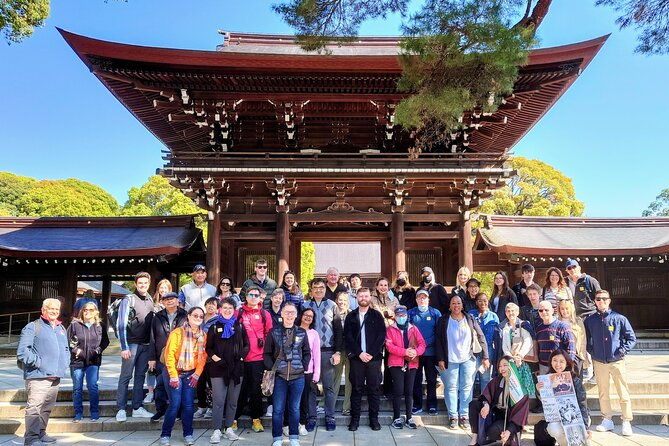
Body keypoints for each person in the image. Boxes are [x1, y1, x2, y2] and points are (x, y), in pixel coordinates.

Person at [17, 298, 69, 446]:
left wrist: (65, 362)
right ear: (43, 309)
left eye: (56, 309)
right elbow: (22, 352)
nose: (54, 311)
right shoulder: (33, 327)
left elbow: (66, 349)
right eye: (51, 308)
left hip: (56, 375)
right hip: (38, 376)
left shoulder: (61, 328)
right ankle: (31, 439)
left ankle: (41, 432)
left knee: (46, 408)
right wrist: (39, 362)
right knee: (34, 408)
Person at [584, 290, 636, 437]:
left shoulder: (619, 318)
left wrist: (621, 351)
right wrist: (592, 351)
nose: (601, 301)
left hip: (617, 361)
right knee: (603, 392)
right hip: (599, 361)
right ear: (595, 301)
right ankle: (607, 419)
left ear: (609, 300)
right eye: (598, 299)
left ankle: (626, 420)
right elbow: (587, 340)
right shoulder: (590, 320)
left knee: (623, 392)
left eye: (604, 299)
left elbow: (631, 338)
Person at [435, 295, 489, 430]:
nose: (456, 306)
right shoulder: (443, 320)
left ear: (462, 305)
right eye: (453, 303)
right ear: (449, 305)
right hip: (450, 359)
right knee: (451, 388)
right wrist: (441, 358)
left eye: (458, 303)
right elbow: (438, 341)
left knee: (467, 387)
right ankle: (453, 416)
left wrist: (485, 356)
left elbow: (481, 336)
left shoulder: (470, 318)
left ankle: (464, 416)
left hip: (468, 359)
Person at [264, 302, 311, 446]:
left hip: (298, 377)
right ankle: (277, 437)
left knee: (294, 408)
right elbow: (266, 354)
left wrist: (303, 366)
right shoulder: (274, 332)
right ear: (282, 314)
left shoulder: (302, 332)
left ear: (297, 315)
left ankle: (294, 437)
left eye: (292, 312)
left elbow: (307, 353)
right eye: (287, 312)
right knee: (278, 409)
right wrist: (273, 368)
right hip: (279, 377)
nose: (290, 315)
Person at [159, 306, 208, 446]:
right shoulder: (177, 333)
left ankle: (188, 433)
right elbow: (169, 355)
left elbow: (203, 357)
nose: (198, 318)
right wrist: (173, 376)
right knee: (175, 404)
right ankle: (165, 434)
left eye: (200, 316)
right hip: (174, 372)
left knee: (188, 405)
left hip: (191, 373)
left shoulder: (203, 335)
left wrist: (197, 374)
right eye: (195, 315)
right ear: (189, 316)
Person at [206, 296, 250, 443]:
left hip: (236, 368)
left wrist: (241, 357)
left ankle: (229, 427)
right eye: (224, 307)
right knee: (218, 400)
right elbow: (208, 347)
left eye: (230, 308)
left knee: (232, 401)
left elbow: (246, 345)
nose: (227, 310)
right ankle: (217, 430)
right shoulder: (214, 326)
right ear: (220, 309)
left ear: (234, 310)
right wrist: (215, 358)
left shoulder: (239, 326)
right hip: (218, 368)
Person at [302, 277, 343, 431]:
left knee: (328, 387)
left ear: (325, 288)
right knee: (311, 387)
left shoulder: (332, 305)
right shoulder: (305, 306)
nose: (318, 290)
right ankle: (311, 417)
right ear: (311, 290)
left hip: (327, 351)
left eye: (321, 287)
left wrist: (337, 351)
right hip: (309, 353)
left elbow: (338, 329)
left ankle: (330, 417)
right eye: (315, 287)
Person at [344, 287, 386, 432]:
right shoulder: (351, 316)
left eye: (366, 295)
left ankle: (374, 420)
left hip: (374, 359)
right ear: (356, 297)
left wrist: (371, 354)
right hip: (357, 358)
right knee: (356, 389)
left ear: (370, 297)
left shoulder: (376, 315)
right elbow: (348, 337)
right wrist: (360, 353)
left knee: (374, 390)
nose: (363, 298)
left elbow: (382, 336)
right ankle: (354, 420)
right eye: (361, 295)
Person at [116, 271, 156, 422]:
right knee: (125, 376)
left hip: (145, 345)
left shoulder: (150, 300)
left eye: (145, 283)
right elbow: (121, 324)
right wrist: (123, 346)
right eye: (140, 283)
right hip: (131, 344)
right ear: (135, 284)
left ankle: (137, 407)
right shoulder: (128, 299)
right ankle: (121, 408)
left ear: (149, 283)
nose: (143, 285)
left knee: (140, 376)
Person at [234, 285, 272, 433]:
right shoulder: (238, 313)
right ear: (246, 296)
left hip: (258, 358)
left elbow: (269, 335)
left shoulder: (265, 314)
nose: (253, 298)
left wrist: (266, 355)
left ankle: (256, 419)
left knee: (256, 391)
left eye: (256, 295)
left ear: (260, 297)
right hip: (241, 358)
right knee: (239, 390)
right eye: (251, 295)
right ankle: (233, 419)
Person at [467, 356, 529, 446]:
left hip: (511, 419)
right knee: (474, 404)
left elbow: (520, 415)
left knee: (494, 431)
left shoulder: (520, 388)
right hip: (497, 414)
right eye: (500, 366)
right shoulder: (497, 381)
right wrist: (486, 404)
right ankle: (475, 438)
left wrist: (509, 431)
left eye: (505, 365)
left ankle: (509, 436)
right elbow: (486, 395)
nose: (502, 368)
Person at [534, 349, 591, 446]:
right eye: (555, 360)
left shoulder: (575, 380)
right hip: (557, 418)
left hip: (577, 417)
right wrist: (539, 391)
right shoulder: (546, 379)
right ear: (551, 362)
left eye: (561, 361)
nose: (558, 364)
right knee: (553, 428)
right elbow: (546, 404)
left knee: (581, 438)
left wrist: (585, 427)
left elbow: (582, 403)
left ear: (567, 363)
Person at [67, 301, 110, 423]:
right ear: (82, 311)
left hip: (93, 360)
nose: (87, 312)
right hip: (77, 361)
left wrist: (98, 350)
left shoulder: (100, 325)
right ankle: (78, 412)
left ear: (95, 312)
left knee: (93, 386)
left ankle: (94, 412)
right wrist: (77, 351)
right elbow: (69, 341)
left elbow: (105, 341)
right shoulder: (75, 325)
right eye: (85, 310)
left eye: (91, 310)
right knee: (77, 387)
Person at [148, 291, 188, 422]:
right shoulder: (157, 317)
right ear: (163, 302)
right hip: (162, 356)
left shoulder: (185, 315)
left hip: (179, 356)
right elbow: (152, 338)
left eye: (172, 299)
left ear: (178, 301)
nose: (170, 301)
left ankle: (179, 412)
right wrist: (151, 358)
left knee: (178, 384)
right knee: (160, 384)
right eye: (166, 299)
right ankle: (160, 410)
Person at [386, 305, 426, 429]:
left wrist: (416, 352)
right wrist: (404, 352)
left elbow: (422, 344)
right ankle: (396, 417)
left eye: (403, 315)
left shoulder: (413, 328)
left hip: (412, 363)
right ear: (395, 317)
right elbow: (389, 346)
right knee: (398, 391)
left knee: (409, 391)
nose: (401, 317)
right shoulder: (390, 329)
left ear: (407, 316)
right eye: (398, 316)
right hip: (396, 363)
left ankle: (409, 417)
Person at [409, 289, 442, 416]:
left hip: (430, 352)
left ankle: (432, 405)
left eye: (424, 297)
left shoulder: (435, 313)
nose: (422, 300)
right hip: (416, 353)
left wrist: (424, 343)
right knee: (416, 379)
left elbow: (438, 332)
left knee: (431, 379)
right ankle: (417, 405)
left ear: (428, 299)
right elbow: (408, 330)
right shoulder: (411, 313)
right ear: (416, 299)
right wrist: (417, 347)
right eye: (420, 297)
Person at [495, 303, 535, 397]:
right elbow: (504, 346)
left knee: (524, 385)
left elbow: (528, 342)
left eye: (513, 311)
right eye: (508, 311)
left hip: (523, 360)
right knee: (513, 387)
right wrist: (510, 357)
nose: (511, 313)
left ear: (517, 312)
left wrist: (520, 356)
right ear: (505, 313)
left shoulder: (524, 325)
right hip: (511, 361)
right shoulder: (505, 328)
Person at [193, 297, 221, 419]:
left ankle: (211, 407)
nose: (210, 306)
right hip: (198, 357)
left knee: (211, 384)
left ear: (217, 308)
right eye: (208, 304)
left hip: (211, 357)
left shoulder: (219, 321)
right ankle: (201, 406)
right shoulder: (199, 318)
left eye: (213, 305)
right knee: (199, 383)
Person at [371, 276, 398, 398]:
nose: (383, 287)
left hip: (390, 334)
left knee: (389, 362)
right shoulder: (371, 298)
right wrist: (384, 315)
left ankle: (388, 389)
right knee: (376, 362)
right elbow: (372, 314)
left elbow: (399, 313)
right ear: (377, 286)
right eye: (381, 285)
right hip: (375, 334)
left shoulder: (393, 299)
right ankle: (375, 388)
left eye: (385, 285)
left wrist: (390, 315)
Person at [145, 279, 171, 405]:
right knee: (151, 367)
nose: (163, 290)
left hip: (167, 340)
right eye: (161, 288)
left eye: (166, 288)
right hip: (153, 336)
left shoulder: (173, 304)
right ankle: (150, 392)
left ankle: (165, 394)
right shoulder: (152, 303)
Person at [469, 292, 499, 394]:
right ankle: (468, 404)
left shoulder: (493, 316)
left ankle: (484, 404)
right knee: (470, 377)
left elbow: (497, 336)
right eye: (480, 301)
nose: (483, 303)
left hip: (488, 350)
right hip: (473, 350)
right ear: (476, 302)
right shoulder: (471, 314)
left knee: (485, 378)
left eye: (485, 301)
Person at [296, 307, 320, 434]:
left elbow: (316, 355)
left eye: (310, 316)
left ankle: (302, 423)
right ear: (301, 315)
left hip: (307, 371)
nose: (308, 318)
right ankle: (290, 424)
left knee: (304, 399)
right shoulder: (293, 330)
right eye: (306, 315)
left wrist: (316, 374)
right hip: (293, 370)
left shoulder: (314, 333)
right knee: (293, 399)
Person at [536, 300, 576, 375]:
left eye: (546, 310)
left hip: (559, 368)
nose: (544, 312)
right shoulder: (539, 329)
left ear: (552, 311)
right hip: (544, 367)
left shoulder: (563, 327)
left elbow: (571, 349)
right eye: (541, 310)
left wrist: (567, 367)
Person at [557, 298, 589, 377]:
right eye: (562, 309)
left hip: (576, 356)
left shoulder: (578, 321)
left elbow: (583, 339)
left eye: (567, 308)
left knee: (577, 381)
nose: (565, 311)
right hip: (561, 357)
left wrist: (582, 356)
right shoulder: (557, 322)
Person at [333, 291, 353, 416]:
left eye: (345, 300)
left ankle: (347, 406)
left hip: (350, 351)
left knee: (350, 379)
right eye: (340, 300)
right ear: (336, 301)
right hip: (336, 350)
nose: (342, 303)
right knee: (334, 378)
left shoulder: (352, 315)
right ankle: (329, 404)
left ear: (348, 302)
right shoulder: (332, 314)